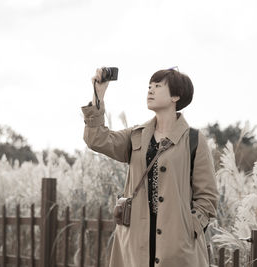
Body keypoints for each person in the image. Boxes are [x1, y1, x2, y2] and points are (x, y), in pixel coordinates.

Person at [81, 67, 219, 267]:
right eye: (149, 86)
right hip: (135, 245)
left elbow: (207, 197)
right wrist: (98, 95)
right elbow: (97, 139)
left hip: (177, 247)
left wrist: (190, 228)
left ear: (176, 96)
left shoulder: (194, 140)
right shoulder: (136, 135)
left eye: (158, 86)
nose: (150, 90)